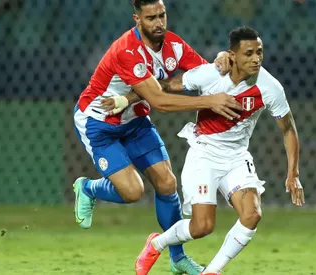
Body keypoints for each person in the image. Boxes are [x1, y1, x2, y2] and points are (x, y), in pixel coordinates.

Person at [72, 1, 241, 275]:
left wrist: (222, 58)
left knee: (166, 182)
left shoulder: (172, 45)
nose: (159, 22)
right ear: (137, 19)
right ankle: (88, 188)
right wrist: (210, 102)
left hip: (134, 120)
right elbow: (160, 102)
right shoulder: (127, 50)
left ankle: (177, 258)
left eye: (162, 15)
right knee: (132, 192)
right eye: (151, 18)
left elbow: (203, 73)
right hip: (98, 123)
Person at [133, 26, 305, 275]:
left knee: (252, 214)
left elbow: (288, 129)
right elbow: (170, 86)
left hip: (237, 157)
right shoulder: (210, 75)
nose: (256, 58)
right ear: (232, 55)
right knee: (202, 226)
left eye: (259, 52)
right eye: (249, 53)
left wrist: (294, 174)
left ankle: (211, 271)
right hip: (205, 153)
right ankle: (156, 243)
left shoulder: (270, 87)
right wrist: (131, 96)